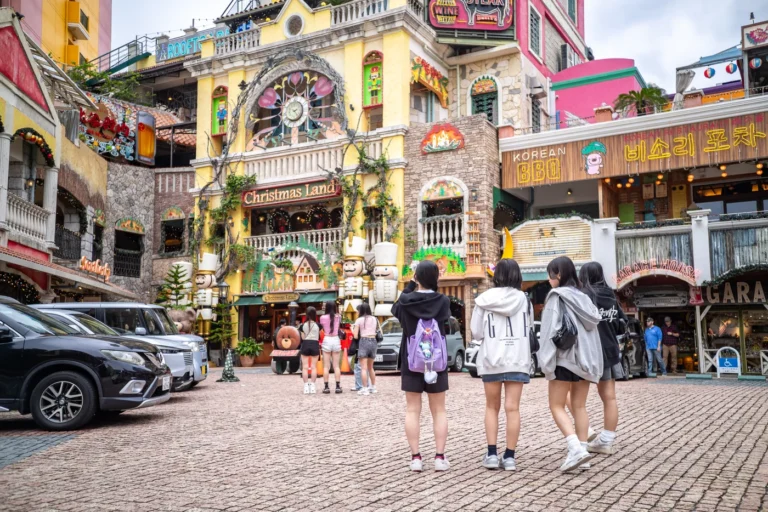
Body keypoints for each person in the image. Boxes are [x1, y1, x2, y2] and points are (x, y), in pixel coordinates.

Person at [538, 256, 603, 472]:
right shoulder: (585, 298)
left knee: (556, 405)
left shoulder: (556, 297)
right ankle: (583, 451)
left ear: (558, 274)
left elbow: (548, 333)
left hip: (564, 359)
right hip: (585, 360)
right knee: (579, 406)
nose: (548, 279)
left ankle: (575, 449)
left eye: (550, 274)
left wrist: (545, 363)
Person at [470, 259, 532, 472]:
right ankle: (510, 457)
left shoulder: (483, 300)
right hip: (518, 359)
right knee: (512, 408)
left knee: (491, 407)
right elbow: (529, 328)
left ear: (497, 276)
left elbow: (476, 333)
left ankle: (491, 455)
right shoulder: (525, 300)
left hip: (491, 359)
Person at [392, 260, 452, 472]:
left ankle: (416, 458)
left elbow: (395, 309)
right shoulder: (443, 301)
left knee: (412, 410)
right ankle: (439, 457)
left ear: (416, 277)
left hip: (412, 358)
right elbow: (445, 321)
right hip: (436, 361)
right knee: (439, 410)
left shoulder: (406, 301)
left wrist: (410, 284)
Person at [579, 262, 627, 457]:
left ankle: (585, 434)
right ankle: (606, 441)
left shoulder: (586, 296)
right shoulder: (611, 296)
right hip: (609, 351)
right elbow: (620, 326)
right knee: (609, 397)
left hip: (589, 352)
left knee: (574, 398)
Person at [352, 303, 379, 396]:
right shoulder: (375, 319)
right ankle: (373, 387)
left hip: (364, 341)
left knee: (363, 368)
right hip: (374, 341)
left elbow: (355, 336)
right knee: (371, 367)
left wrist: (353, 330)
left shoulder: (359, 320)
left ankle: (364, 388)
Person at [319, 301, 343, 394]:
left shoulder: (322, 317)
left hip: (327, 339)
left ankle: (326, 387)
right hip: (336, 339)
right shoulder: (338, 317)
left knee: (326, 366)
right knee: (336, 366)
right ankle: (337, 386)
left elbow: (323, 328)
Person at [299, 307, 321, 394]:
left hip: (305, 344)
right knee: (313, 367)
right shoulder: (318, 325)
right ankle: (312, 386)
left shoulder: (302, 326)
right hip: (315, 344)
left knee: (305, 367)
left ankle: (305, 386)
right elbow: (319, 336)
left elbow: (303, 338)